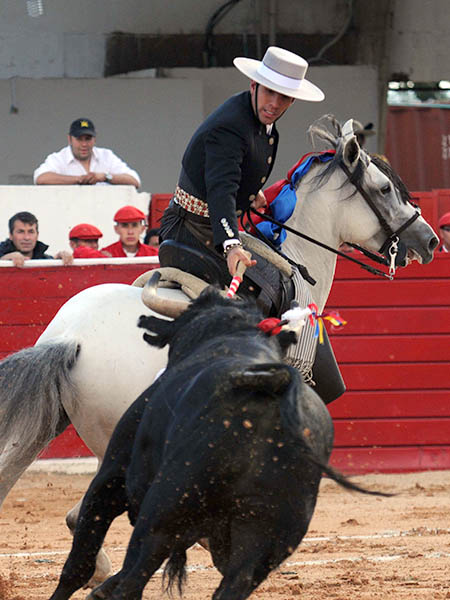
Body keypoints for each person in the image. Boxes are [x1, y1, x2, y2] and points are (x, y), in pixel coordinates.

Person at [159, 46, 324, 281]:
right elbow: (221, 188)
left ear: (292, 101)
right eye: (269, 92)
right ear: (254, 85)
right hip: (191, 230)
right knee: (257, 294)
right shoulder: (230, 126)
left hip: (213, 225)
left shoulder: (255, 116)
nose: (275, 104)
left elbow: (237, 163)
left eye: (284, 97)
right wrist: (230, 244)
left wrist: (249, 191)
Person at [33, 118, 141, 188]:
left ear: (94, 139)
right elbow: (41, 178)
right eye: (79, 139)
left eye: (88, 139)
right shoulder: (58, 158)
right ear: (70, 139)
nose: (84, 144)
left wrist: (105, 177)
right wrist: (78, 179)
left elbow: (134, 181)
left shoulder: (106, 156)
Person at [0, 211, 72, 267]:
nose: (26, 237)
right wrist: (4, 260)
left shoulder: (45, 259)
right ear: (10, 235)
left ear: (37, 235)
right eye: (21, 232)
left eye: (31, 232)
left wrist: (60, 260)